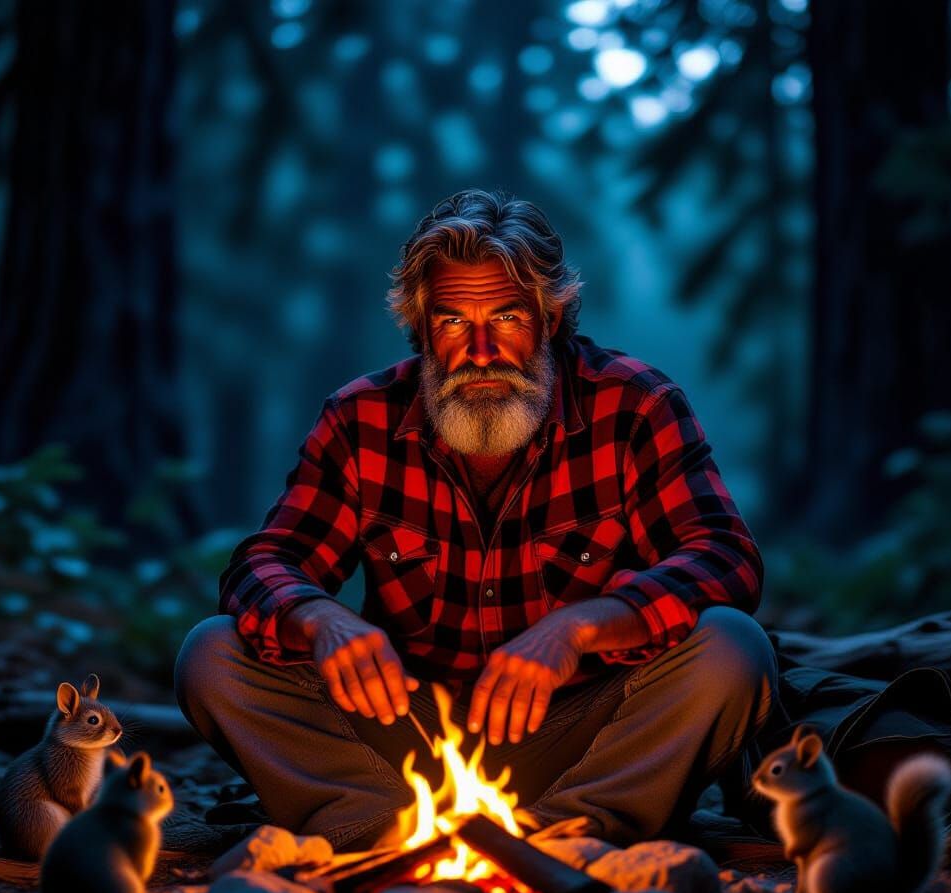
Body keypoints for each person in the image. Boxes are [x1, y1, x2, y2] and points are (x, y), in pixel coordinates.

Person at [175, 188, 778, 852]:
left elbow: (724, 557)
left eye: (508, 317)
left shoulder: (636, 406)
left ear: (550, 317)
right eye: (453, 321)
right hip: (405, 738)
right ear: (420, 325)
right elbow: (264, 563)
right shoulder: (360, 418)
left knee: (732, 646)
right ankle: (376, 834)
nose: (482, 350)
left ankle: (567, 840)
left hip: (577, 738)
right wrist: (321, 620)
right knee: (212, 653)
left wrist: (581, 628)